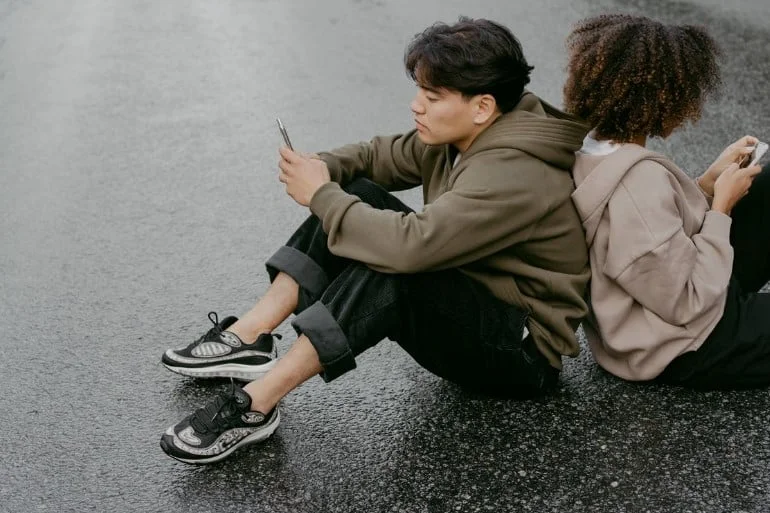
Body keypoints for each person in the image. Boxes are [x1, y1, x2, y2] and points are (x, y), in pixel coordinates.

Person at [159, 17, 591, 465]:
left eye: (432, 96)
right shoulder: (474, 127)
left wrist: (320, 195)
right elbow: (378, 158)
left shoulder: (514, 172)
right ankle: (248, 337)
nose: (416, 106)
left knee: (393, 264)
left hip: (518, 353)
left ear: (482, 106)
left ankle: (257, 403)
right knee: (359, 198)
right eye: (419, 91)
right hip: (477, 302)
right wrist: (320, 168)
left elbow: (410, 247)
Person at [565, 14, 769, 389]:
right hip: (685, 344)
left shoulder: (593, 152)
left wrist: (708, 184)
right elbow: (685, 301)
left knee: (766, 182)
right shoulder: (637, 182)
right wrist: (721, 207)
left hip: (671, 307)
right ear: (663, 101)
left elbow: (656, 235)